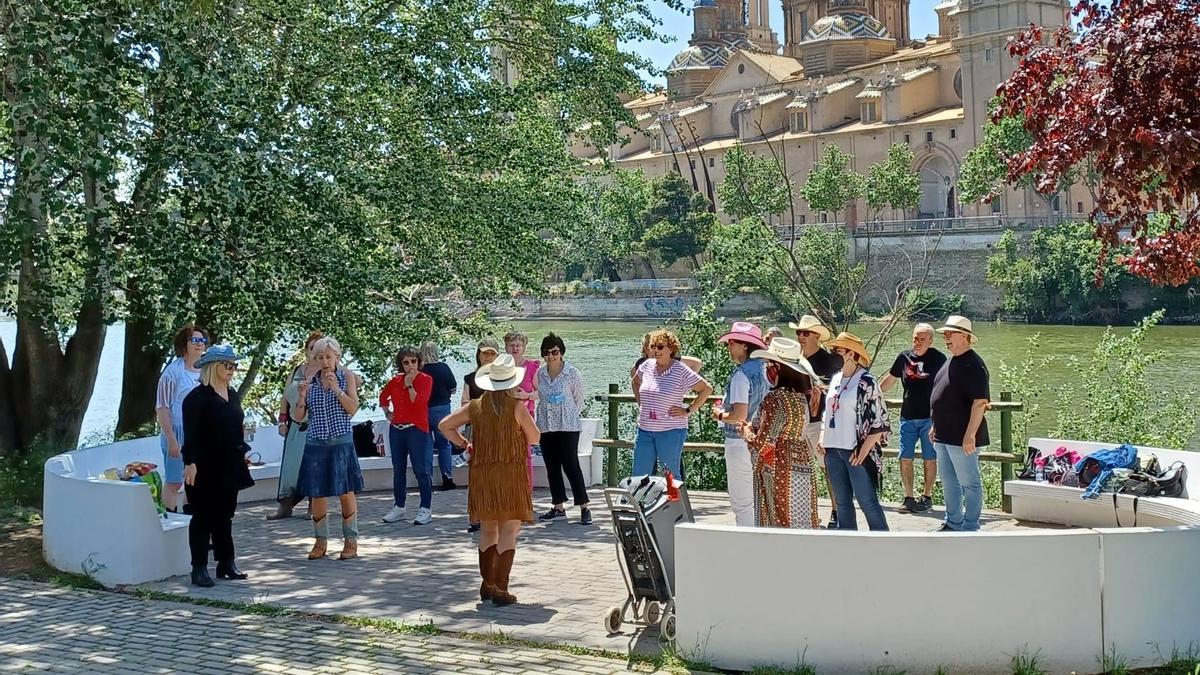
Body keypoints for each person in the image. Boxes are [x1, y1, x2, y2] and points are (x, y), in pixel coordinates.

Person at [438, 354, 539, 606]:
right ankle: (500, 588)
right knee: (509, 529)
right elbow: (535, 438)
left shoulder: (475, 406)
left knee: (488, 529)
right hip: (511, 475)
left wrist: (465, 445)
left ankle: (487, 584)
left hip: (482, 475)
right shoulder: (516, 407)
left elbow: (444, 425)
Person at [181, 344, 255, 587]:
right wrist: (190, 463)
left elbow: (235, 427)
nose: (233, 369)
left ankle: (226, 562)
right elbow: (190, 436)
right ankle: (199, 567)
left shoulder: (231, 394)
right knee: (203, 517)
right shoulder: (196, 399)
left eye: (234, 365)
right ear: (214, 367)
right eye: (228, 365)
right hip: (204, 465)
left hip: (229, 463)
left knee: (225, 515)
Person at [741, 338, 824, 528]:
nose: (766, 369)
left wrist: (746, 433)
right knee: (801, 521)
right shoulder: (800, 397)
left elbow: (764, 445)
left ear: (777, 367)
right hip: (803, 460)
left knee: (778, 522)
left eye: (769, 364)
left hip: (779, 467)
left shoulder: (775, 399)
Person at [294, 336, 364, 560]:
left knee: (345, 491)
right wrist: (302, 397)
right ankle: (320, 541)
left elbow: (352, 409)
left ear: (337, 357)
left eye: (328, 356)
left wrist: (336, 389)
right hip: (316, 441)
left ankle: (350, 541)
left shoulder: (347, 377)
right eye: (320, 357)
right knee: (317, 493)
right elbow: (299, 417)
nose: (324, 361)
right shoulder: (310, 380)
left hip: (340, 441)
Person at [819, 332, 890, 531]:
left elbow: (880, 421)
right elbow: (827, 411)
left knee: (867, 502)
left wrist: (864, 451)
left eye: (838, 351)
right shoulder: (835, 379)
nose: (834, 354)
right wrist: (823, 436)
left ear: (851, 354)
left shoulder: (867, 381)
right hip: (832, 450)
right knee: (842, 503)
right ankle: (848, 542)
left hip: (855, 451)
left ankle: (884, 543)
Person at [930, 316, 991, 532]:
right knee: (948, 482)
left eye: (950, 333)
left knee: (969, 483)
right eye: (944, 334)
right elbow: (941, 397)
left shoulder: (974, 364)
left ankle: (971, 525)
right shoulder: (950, 361)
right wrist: (934, 426)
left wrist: (970, 435)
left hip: (962, 437)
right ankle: (953, 522)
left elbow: (980, 403)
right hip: (943, 435)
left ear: (964, 336)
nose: (945, 338)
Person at [880, 323, 947, 515]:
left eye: (922, 339)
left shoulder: (938, 359)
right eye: (915, 338)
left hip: (929, 417)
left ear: (931, 341)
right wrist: (870, 391)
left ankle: (926, 497)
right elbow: (889, 380)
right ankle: (908, 497)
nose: (917, 342)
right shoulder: (904, 357)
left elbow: (947, 384)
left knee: (930, 458)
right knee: (905, 457)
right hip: (907, 416)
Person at [632, 328, 714, 479]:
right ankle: (640, 502)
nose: (656, 350)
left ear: (671, 348)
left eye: (660, 346)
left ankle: (675, 503)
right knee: (639, 474)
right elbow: (635, 382)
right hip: (644, 429)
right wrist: (641, 403)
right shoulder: (647, 365)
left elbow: (706, 389)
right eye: (653, 346)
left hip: (671, 430)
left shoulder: (680, 370)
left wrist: (688, 410)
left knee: (669, 475)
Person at [710, 322, 769, 527]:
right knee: (759, 496)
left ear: (744, 345)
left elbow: (739, 415)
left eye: (731, 343)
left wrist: (719, 415)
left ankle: (746, 542)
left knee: (742, 501)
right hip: (762, 441)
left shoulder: (741, 375)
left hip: (738, 441)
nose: (728, 347)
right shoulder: (766, 370)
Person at [789, 314, 843, 527]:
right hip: (796, 421)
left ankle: (837, 511)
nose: (800, 337)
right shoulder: (793, 359)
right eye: (798, 333)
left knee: (827, 468)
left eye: (805, 333)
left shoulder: (832, 360)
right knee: (798, 469)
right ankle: (805, 512)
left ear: (817, 336)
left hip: (820, 421)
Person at [535, 333, 592, 525]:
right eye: (547, 352)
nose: (551, 356)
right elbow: (539, 395)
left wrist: (567, 412)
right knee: (552, 466)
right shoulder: (540, 373)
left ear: (561, 352)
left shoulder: (572, 373)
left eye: (554, 352)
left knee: (571, 464)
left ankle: (584, 505)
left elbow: (579, 398)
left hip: (567, 425)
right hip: (546, 424)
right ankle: (558, 505)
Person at [269, 330, 323, 520]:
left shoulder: (328, 371)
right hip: (295, 424)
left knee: (313, 465)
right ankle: (285, 506)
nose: (314, 352)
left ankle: (313, 506)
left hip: (317, 425)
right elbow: (285, 396)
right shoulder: (297, 370)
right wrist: (282, 420)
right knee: (290, 467)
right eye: (311, 348)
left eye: (318, 348)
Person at [156, 325, 208, 513]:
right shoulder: (172, 373)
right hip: (177, 432)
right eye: (194, 340)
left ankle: (191, 519)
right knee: (174, 481)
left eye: (202, 341)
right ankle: (168, 518)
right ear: (183, 344)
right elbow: (162, 408)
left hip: (200, 434)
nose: (199, 345)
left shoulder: (206, 370)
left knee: (195, 480)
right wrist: (171, 440)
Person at [379, 346, 435, 526]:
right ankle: (399, 506)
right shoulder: (395, 380)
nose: (410, 365)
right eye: (406, 362)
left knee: (422, 470)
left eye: (413, 361)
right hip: (397, 429)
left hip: (417, 429)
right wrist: (388, 412)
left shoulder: (426, 379)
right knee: (398, 469)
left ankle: (425, 508)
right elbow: (383, 397)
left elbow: (419, 402)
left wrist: (410, 383)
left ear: (419, 362)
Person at [462, 338, 500, 534]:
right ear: (478, 355)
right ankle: (474, 517)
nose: (488, 357)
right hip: (476, 429)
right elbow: (464, 403)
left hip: (498, 431)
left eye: (492, 353)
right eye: (485, 353)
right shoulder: (470, 378)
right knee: (476, 476)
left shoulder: (503, 378)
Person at [421, 342, 458, 491]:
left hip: (424, 410)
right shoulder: (444, 368)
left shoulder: (420, 370)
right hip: (442, 409)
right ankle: (447, 478)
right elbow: (453, 388)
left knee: (426, 446)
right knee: (444, 445)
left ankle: (427, 479)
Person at [504, 331, 539, 486]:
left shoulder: (532, 367)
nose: (515, 348)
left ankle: (526, 490)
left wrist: (527, 395)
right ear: (506, 347)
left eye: (518, 345)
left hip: (526, 416)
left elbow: (541, 392)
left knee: (525, 455)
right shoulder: (501, 368)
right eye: (512, 345)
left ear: (524, 348)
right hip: (504, 416)